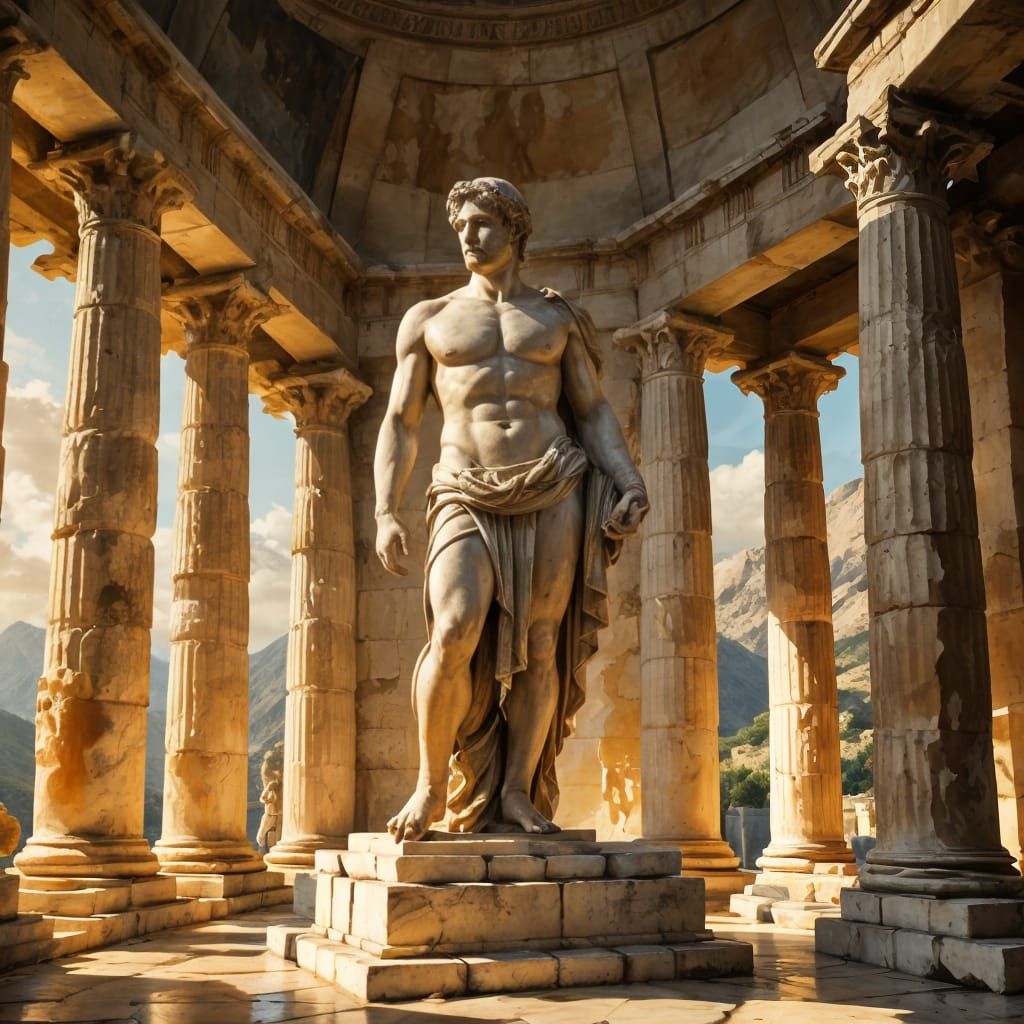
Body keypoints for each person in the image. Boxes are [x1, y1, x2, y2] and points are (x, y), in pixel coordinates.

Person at [374, 177, 647, 842]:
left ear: (515, 230)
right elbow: (402, 420)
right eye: (461, 225)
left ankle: (520, 792)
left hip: (554, 483)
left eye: (482, 224)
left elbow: (591, 410)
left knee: (539, 647)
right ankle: (430, 787)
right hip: (465, 487)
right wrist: (385, 508)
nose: (468, 236)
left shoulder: (556, 319)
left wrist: (627, 476)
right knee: (456, 627)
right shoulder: (430, 318)